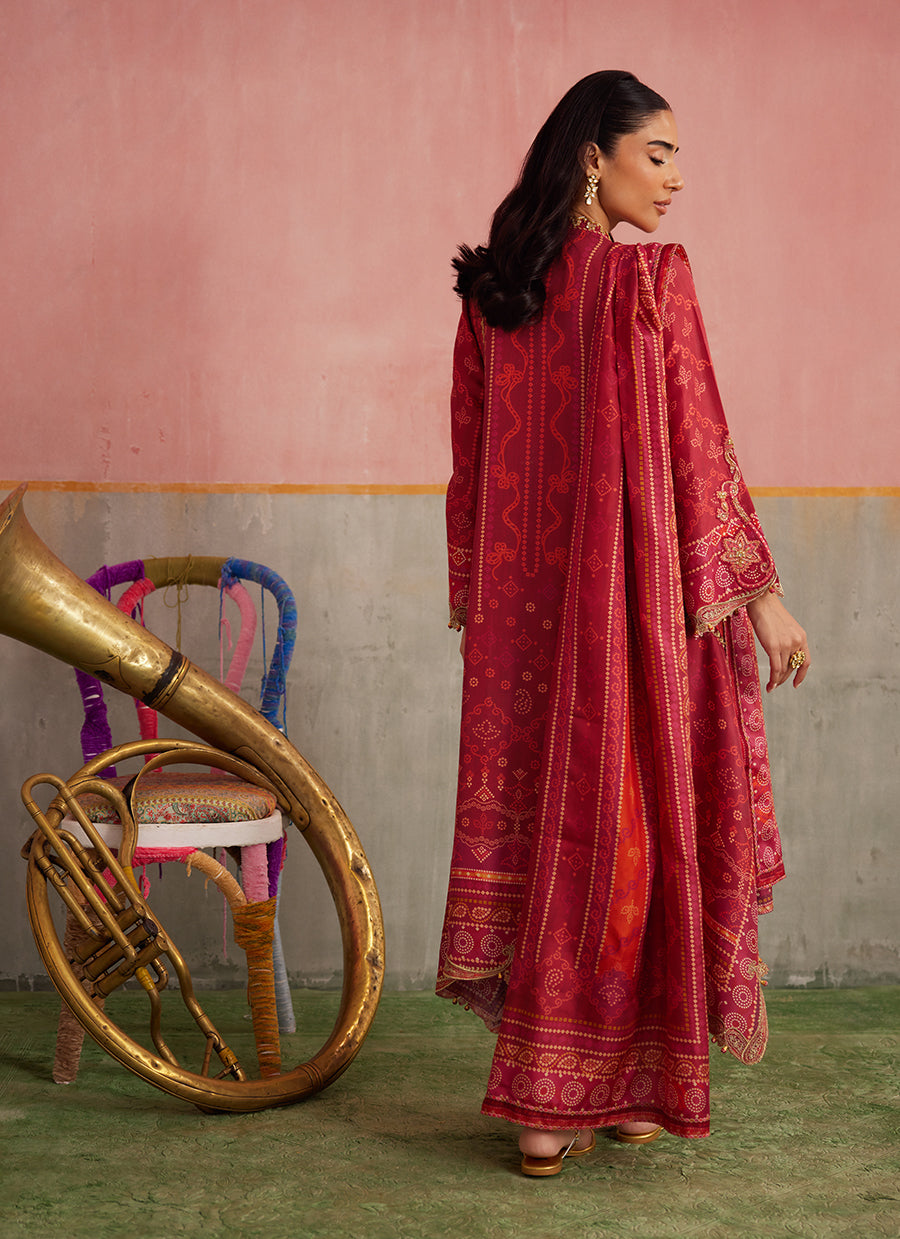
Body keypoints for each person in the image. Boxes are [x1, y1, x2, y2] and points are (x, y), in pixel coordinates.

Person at [436, 70, 810, 1177]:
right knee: (635, 827)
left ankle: (592, 1093)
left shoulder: (493, 298)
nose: (678, 178)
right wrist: (762, 598)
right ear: (592, 158)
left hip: (522, 633)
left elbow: (471, 468)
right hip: (639, 614)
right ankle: (598, 1090)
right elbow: (701, 444)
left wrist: (480, 603)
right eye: (660, 153)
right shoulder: (650, 283)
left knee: (560, 833)